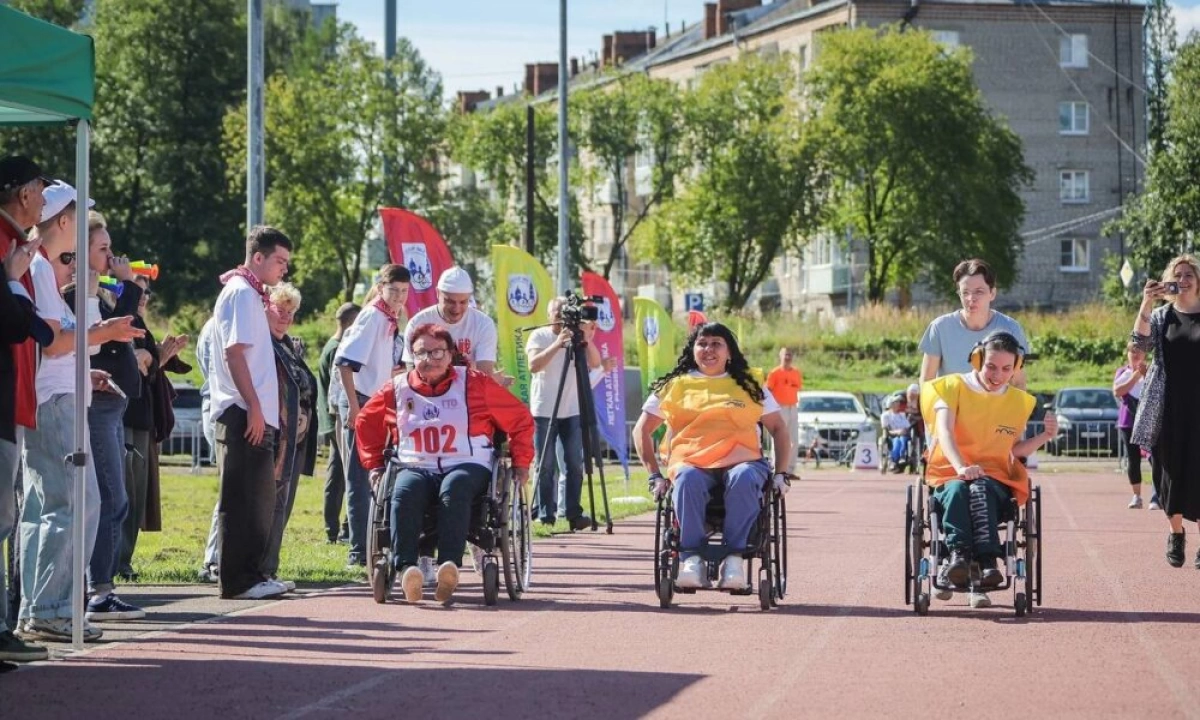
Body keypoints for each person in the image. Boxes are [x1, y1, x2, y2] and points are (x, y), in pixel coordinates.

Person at [19, 182, 143, 642]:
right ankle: (49, 608)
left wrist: (84, 367)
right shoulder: (40, 268)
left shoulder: (45, 271)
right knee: (71, 505)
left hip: (60, 396)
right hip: (54, 402)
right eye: (80, 213)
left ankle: (42, 608)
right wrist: (105, 333)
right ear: (64, 222)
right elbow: (54, 340)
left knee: (61, 506)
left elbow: (56, 341)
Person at [354, 323, 534, 604]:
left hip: (467, 462)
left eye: (437, 353)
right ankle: (407, 569)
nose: (429, 359)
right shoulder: (397, 388)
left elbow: (520, 419)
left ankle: (448, 566)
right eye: (422, 353)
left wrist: (521, 462)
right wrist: (375, 465)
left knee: (456, 487)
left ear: (451, 354)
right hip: (415, 464)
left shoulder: (475, 383)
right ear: (412, 356)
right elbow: (365, 421)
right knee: (404, 491)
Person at [632, 323, 793, 591]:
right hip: (691, 461)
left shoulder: (751, 384)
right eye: (702, 343)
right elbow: (642, 430)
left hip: (744, 460)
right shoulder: (675, 385)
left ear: (729, 352)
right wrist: (654, 476)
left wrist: (781, 474)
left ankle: (733, 560)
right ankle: (692, 559)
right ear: (693, 350)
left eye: (716, 343)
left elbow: (778, 428)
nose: (708, 349)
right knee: (686, 478)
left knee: (742, 477)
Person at [920, 331, 1057, 609]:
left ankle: (984, 561)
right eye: (991, 366)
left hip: (994, 475)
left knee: (980, 485)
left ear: (1016, 368)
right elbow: (944, 432)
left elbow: (1014, 450)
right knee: (961, 487)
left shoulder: (1018, 402)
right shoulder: (951, 387)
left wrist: (1044, 437)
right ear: (977, 360)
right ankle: (962, 556)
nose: (998, 375)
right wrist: (961, 466)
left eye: (1007, 369)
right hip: (950, 471)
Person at [63, 211, 146, 622]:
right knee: (109, 497)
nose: (112, 256)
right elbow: (103, 341)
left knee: (114, 498)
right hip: (95, 407)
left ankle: (99, 586)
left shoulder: (100, 291)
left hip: (112, 404)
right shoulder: (78, 292)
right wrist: (129, 285)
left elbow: (129, 331)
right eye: (103, 249)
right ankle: (99, 589)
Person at [209, 226, 291, 600]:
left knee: (259, 501)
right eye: (279, 261)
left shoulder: (252, 295)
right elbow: (234, 353)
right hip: (243, 412)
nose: (284, 270)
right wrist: (255, 407)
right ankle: (238, 580)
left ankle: (254, 574)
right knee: (241, 499)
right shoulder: (241, 293)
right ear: (257, 257)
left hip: (255, 413)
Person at [0, 156, 55, 662]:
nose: (42, 198)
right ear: (21, 194)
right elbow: (19, 324)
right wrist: (13, 279)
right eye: (40, 188)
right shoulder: (8, 245)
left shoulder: (14, 243)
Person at [335, 264, 409, 569]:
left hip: (379, 400)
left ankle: (376, 541)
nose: (398, 298)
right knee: (359, 476)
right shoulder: (372, 316)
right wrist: (354, 407)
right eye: (393, 291)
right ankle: (357, 548)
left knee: (380, 475)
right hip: (361, 401)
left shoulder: (391, 319)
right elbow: (344, 363)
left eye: (404, 292)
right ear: (380, 288)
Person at [1130, 256, 1200, 569]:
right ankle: (1176, 533)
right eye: (1177, 275)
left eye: (1189, 275)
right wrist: (1145, 303)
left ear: (1198, 280)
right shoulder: (1160, 315)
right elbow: (1138, 349)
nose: (1183, 280)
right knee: (1167, 470)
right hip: (1167, 406)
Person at [118, 274, 188, 581]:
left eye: (147, 291)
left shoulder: (139, 323)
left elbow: (147, 369)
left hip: (143, 416)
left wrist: (161, 355)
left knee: (137, 495)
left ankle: (124, 560)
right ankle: (115, 562)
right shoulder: (120, 319)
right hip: (124, 415)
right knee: (124, 494)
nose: (144, 296)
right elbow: (131, 367)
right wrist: (155, 356)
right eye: (139, 290)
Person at [525, 297, 602, 530]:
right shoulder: (539, 336)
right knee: (545, 463)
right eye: (556, 312)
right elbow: (534, 365)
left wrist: (586, 339)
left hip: (572, 409)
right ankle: (544, 513)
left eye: (564, 312)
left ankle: (572, 513)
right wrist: (558, 342)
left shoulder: (577, 337)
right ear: (549, 315)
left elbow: (596, 363)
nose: (561, 317)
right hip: (544, 409)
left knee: (574, 463)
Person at [261, 283, 318, 592]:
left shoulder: (288, 346)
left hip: (296, 440)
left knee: (282, 505)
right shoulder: (264, 344)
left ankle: (269, 568)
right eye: (279, 310)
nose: (284, 317)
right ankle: (262, 570)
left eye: (290, 312)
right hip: (276, 438)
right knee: (271, 504)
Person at [919, 259, 1030, 389]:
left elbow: (1018, 383)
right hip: (950, 407)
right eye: (965, 292)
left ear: (992, 293)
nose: (971, 298)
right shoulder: (940, 328)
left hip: (996, 407)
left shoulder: (1011, 328)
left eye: (979, 291)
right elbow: (927, 381)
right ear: (959, 294)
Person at [402, 267, 499, 376]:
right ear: (438, 293)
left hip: (469, 388)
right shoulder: (418, 323)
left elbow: (485, 374)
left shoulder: (483, 324)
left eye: (463, 302)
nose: (456, 309)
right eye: (450, 302)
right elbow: (411, 370)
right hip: (428, 388)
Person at [318, 303, 359, 544]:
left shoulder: (330, 346)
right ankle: (338, 530)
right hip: (337, 417)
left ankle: (335, 529)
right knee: (342, 476)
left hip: (332, 418)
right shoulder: (338, 349)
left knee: (337, 476)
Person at [1114, 342, 1158, 510]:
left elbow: (1156, 391)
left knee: (1154, 458)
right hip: (1128, 422)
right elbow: (1118, 391)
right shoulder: (1122, 372)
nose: (1135, 355)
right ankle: (1137, 496)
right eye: (1132, 352)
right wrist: (1135, 376)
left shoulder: (1151, 371)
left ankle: (1157, 495)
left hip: (1148, 421)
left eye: (1139, 352)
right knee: (1133, 459)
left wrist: (1145, 375)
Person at [766, 347, 803, 476]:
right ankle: (777, 468)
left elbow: (798, 387)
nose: (788, 358)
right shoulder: (775, 373)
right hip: (779, 407)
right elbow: (768, 390)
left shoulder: (796, 373)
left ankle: (790, 469)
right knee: (778, 437)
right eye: (785, 355)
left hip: (792, 406)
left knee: (793, 439)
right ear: (780, 356)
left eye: (790, 355)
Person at [879, 394, 911, 474]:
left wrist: (903, 431)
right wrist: (897, 432)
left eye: (898, 402)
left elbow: (907, 427)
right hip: (892, 436)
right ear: (891, 404)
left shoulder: (902, 415)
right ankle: (894, 460)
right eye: (896, 402)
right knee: (897, 440)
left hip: (904, 435)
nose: (898, 403)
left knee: (902, 439)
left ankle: (902, 457)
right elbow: (886, 429)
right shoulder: (885, 415)